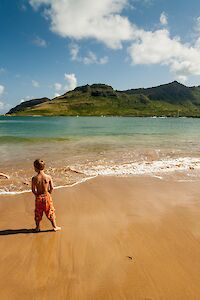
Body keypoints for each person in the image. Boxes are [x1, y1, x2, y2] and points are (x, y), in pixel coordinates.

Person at [31, 159, 61, 232]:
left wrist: (36, 195)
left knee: (38, 212)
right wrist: (49, 193)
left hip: (39, 197)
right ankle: (55, 226)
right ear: (44, 167)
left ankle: (37, 228)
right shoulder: (48, 177)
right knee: (50, 211)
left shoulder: (34, 178)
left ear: (35, 168)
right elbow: (52, 187)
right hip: (47, 196)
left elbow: (33, 190)